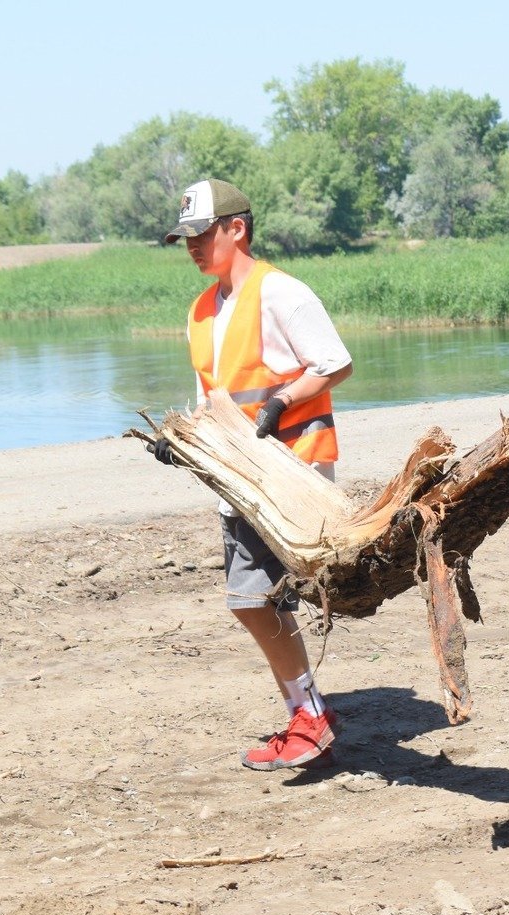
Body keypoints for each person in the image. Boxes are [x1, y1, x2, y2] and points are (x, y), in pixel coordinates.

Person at [150, 178, 354, 771]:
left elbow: (334, 363)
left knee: (251, 599)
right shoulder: (200, 310)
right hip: (239, 476)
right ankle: (308, 708)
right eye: (184, 238)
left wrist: (280, 404)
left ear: (236, 228)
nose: (191, 246)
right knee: (254, 600)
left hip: (291, 473)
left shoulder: (280, 293)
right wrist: (186, 442)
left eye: (200, 234)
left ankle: (310, 714)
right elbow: (213, 396)